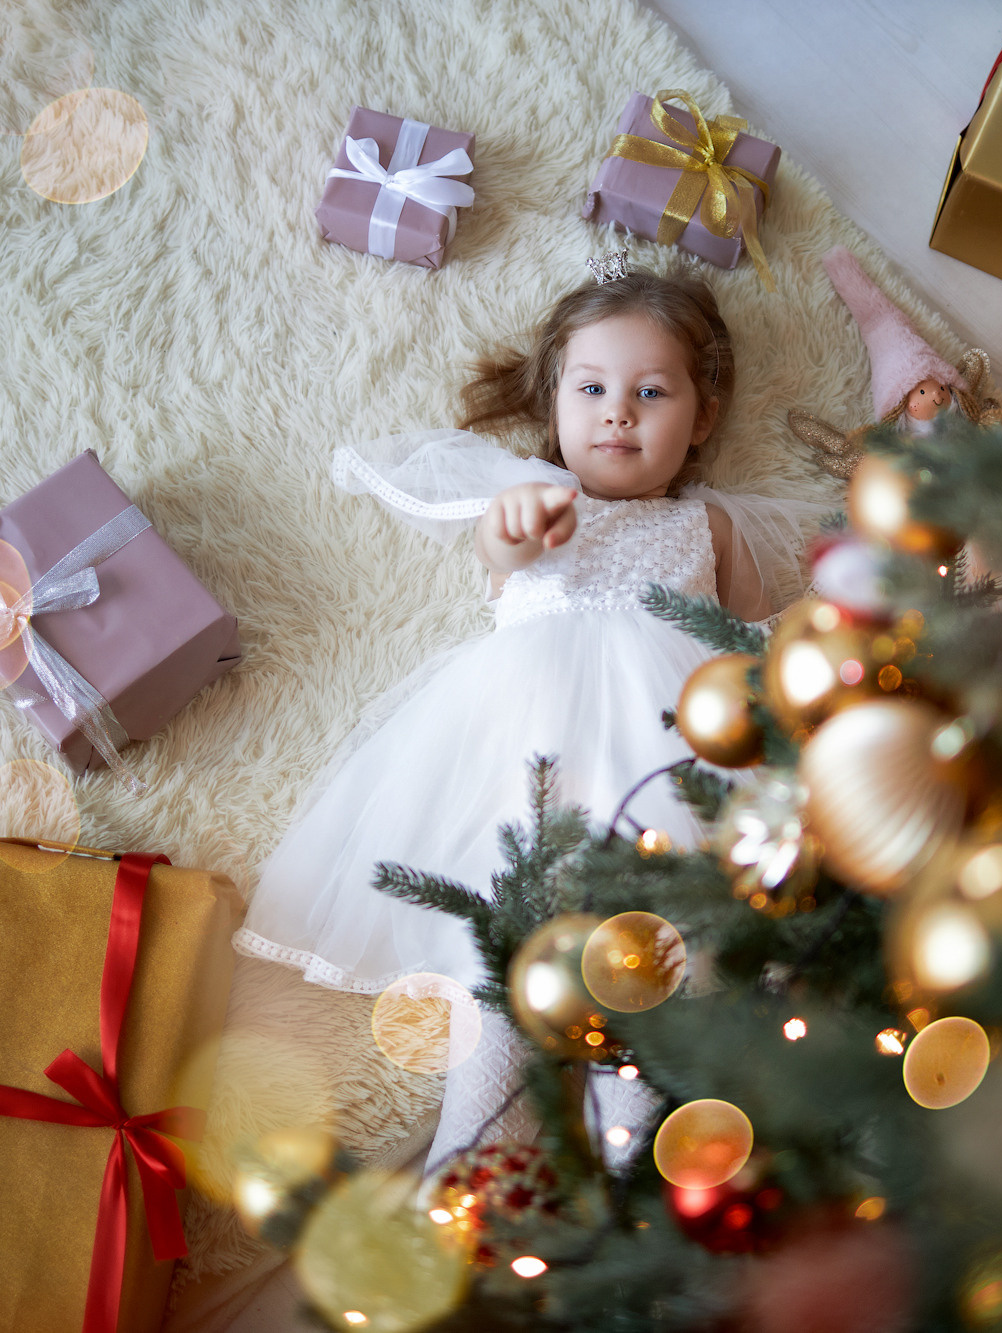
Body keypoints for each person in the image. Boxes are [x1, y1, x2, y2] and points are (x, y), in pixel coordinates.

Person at [231, 261, 832, 1174]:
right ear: (554, 405)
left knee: (645, 954)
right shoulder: (534, 506)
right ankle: (471, 1158)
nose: (617, 412)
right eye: (591, 389)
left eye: (651, 391)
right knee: (503, 951)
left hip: (662, 773)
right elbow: (498, 551)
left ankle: (629, 1155)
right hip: (524, 761)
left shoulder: (707, 528)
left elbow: (742, 641)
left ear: (701, 418)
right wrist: (515, 521)